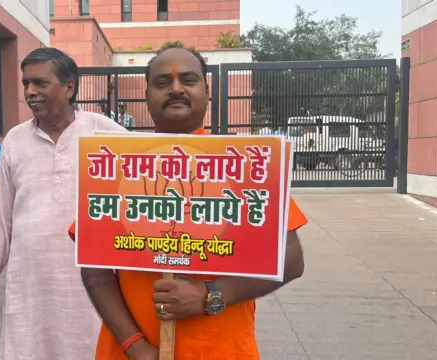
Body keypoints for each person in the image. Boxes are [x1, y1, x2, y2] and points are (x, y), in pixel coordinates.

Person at [75, 47, 308, 359]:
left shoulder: (245, 165)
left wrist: (209, 295)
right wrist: (136, 347)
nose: (175, 88)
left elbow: (290, 260)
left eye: (188, 79)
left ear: (207, 92)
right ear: (146, 96)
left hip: (222, 350)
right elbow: (95, 272)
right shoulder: (112, 164)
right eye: (162, 82)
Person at [0, 47, 126, 360]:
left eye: (40, 83)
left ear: (69, 86)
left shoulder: (107, 133)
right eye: (26, 84)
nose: (30, 92)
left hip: (96, 283)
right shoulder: (14, 139)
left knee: (93, 346)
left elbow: (143, 191)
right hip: (31, 280)